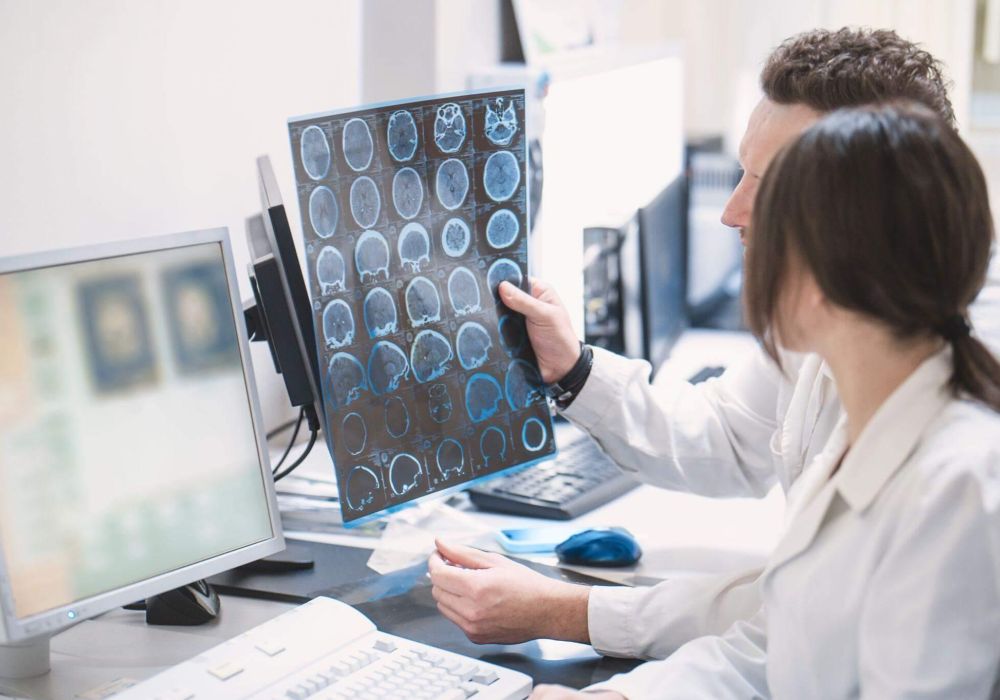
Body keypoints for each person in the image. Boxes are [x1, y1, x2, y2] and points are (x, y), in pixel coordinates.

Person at [428, 26, 1000, 660]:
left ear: (866, 213)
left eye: (771, 184)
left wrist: (571, 612)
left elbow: (792, 628)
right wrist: (574, 371)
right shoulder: (852, 325)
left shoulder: (954, 465)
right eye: (741, 173)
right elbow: (732, 437)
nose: (732, 212)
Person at [529, 100, 1000, 698]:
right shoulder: (866, 426)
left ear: (833, 273)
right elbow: (779, 642)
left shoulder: (956, 488)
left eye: (769, 208)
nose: (736, 220)